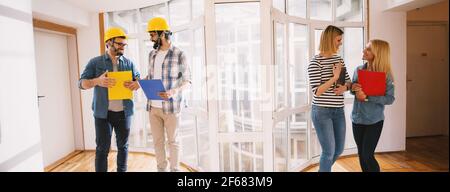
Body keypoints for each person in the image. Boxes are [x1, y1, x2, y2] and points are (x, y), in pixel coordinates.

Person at [78, 27, 140, 172]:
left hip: (124, 113)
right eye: (119, 44)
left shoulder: (129, 63)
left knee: (123, 147)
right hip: (103, 114)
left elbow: (138, 79)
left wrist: (137, 83)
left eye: (124, 44)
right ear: (108, 43)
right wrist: (97, 81)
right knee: (102, 149)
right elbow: (81, 83)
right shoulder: (95, 63)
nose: (122, 47)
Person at [145, 17, 191, 172]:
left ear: (163, 34)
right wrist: (139, 83)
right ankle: (161, 169)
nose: (151, 38)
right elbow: (150, 76)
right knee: (158, 141)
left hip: (171, 107)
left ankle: (175, 170)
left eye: (152, 34)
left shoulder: (179, 54)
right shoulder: (152, 54)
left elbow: (187, 81)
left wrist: (173, 91)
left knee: (173, 141)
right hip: (153, 106)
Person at [307, 25, 352, 172]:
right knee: (328, 152)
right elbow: (317, 91)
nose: (341, 42)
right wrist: (335, 77)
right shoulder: (315, 63)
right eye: (339, 40)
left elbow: (348, 82)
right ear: (330, 39)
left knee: (338, 150)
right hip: (321, 112)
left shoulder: (338, 60)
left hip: (338, 110)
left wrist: (344, 87)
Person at [351, 39, 395, 172]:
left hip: (374, 121)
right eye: (365, 48)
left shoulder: (386, 76)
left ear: (377, 53)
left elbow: (390, 99)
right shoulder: (358, 69)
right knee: (361, 154)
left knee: (367, 155)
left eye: (368, 49)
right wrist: (354, 88)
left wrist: (368, 97)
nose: (364, 51)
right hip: (357, 118)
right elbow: (352, 89)